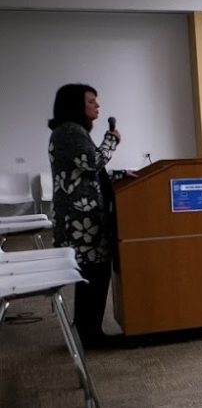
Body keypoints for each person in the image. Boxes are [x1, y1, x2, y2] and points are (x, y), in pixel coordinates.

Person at [47, 83, 126, 348]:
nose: (97, 105)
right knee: (94, 274)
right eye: (91, 101)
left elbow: (86, 171)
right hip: (80, 221)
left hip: (83, 218)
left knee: (94, 274)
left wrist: (122, 175)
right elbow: (92, 162)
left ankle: (88, 332)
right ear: (75, 105)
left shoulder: (72, 131)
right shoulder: (69, 132)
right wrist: (111, 140)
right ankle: (90, 335)